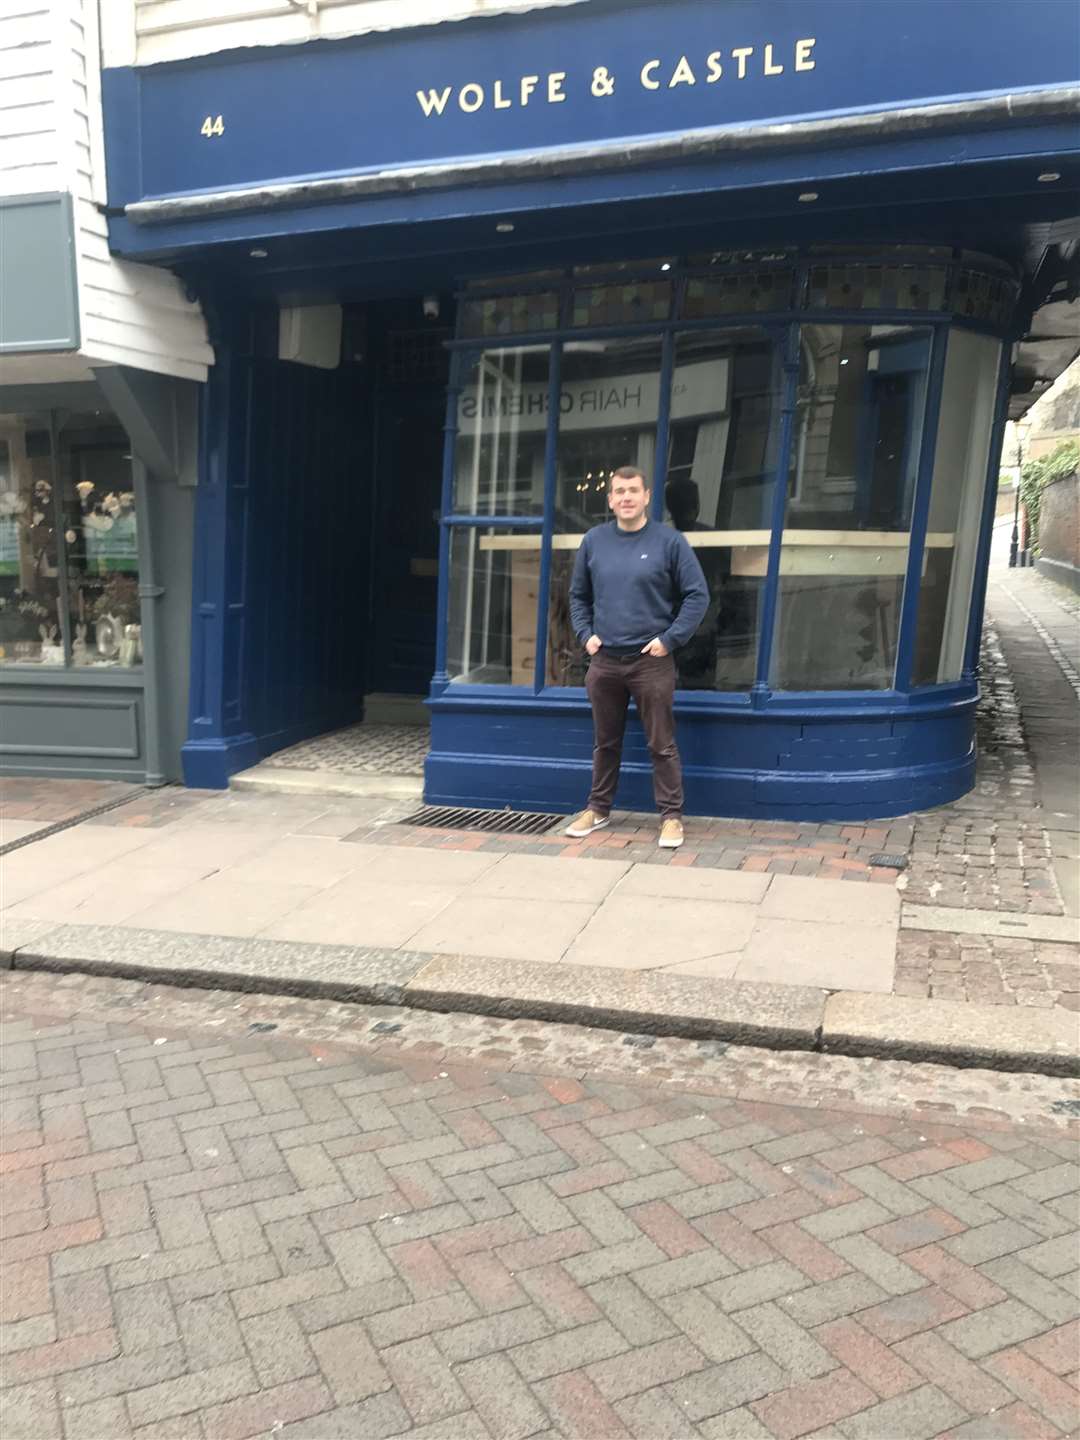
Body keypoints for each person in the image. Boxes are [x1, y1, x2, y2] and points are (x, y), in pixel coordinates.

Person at [565, 465, 708, 848]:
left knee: (661, 743)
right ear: (610, 499)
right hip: (605, 660)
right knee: (605, 742)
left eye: (633, 490)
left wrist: (670, 639)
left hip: (651, 660)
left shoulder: (669, 541)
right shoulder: (594, 541)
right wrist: (586, 636)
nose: (626, 497)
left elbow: (697, 595)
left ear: (647, 497)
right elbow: (578, 596)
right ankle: (598, 809)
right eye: (619, 491)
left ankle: (671, 817)